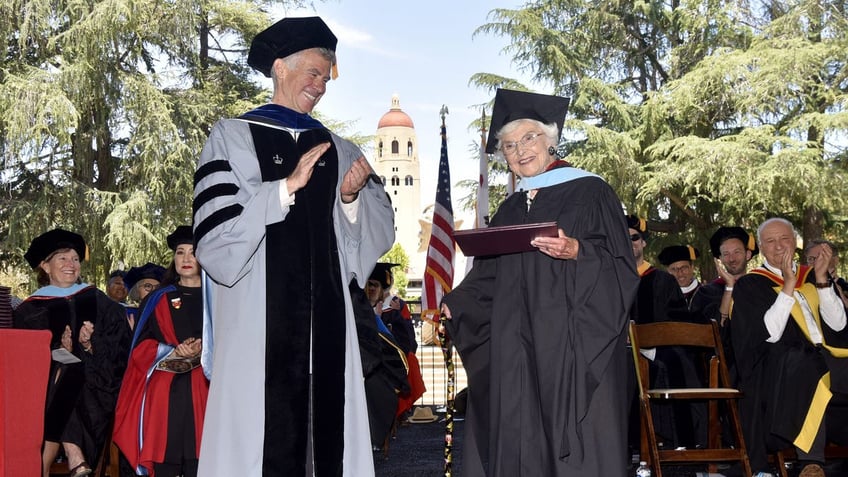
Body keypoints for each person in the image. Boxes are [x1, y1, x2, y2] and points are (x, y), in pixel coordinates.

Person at [191, 16, 394, 476]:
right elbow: (216, 241)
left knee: (325, 445)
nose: (321, 85)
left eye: (326, 77)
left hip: (329, 332)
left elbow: (372, 240)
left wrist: (348, 200)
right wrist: (282, 190)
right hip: (257, 333)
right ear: (280, 67)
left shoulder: (340, 148)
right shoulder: (232, 137)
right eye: (314, 73)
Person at [439, 89, 639, 476]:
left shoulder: (590, 191)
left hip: (571, 345)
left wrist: (577, 251)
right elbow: (488, 275)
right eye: (509, 145)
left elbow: (620, 266)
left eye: (529, 138)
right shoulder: (511, 207)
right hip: (517, 347)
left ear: (550, 140)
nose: (519, 150)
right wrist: (457, 303)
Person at [732, 218, 848, 477]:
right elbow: (768, 335)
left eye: (784, 239)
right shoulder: (750, 285)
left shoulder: (813, 275)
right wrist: (787, 285)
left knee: (820, 362)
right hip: (781, 370)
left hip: (828, 358)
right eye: (770, 241)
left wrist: (821, 281)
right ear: (761, 248)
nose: (778, 246)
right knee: (807, 364)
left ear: (794, 243)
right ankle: (811, 462)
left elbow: (839, 327)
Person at [13, 228, 131, 477]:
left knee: (69, 374)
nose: (71, 264)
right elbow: (22, 360)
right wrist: (57, 351)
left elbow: (120, 350)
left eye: (75, 259)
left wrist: (88, 345)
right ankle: (75, 454)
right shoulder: (29, 310)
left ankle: (52, 464)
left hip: (97, 386)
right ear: (45, 266)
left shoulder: (99, 301)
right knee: (64, 372)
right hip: (45, 389)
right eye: (62, 258)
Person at [113, 226, 208, 477]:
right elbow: (139, 349)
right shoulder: (158, 298)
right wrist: (172, 351)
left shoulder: (220, 296)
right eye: (180, 252)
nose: (186, 259)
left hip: (208, 386)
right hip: (166, 389)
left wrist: (206, 348)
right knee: (165, 459)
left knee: (204, 459)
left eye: (193, 252)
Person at [627, 216, 705, 451]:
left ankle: (678, 443)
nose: (629, 243)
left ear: (643, 243)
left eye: (634, 237)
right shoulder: (608, 279)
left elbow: (677, 324)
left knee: (674, 363)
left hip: (656, 350)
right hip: (619, 352)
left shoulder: (662, 280)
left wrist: (648, 344)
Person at [806, 239, 848, 310]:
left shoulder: (845, 288)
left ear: (835, 260)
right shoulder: (803, 287)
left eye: (822, 257)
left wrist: (841, 295)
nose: (816, 263)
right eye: (811, 259)